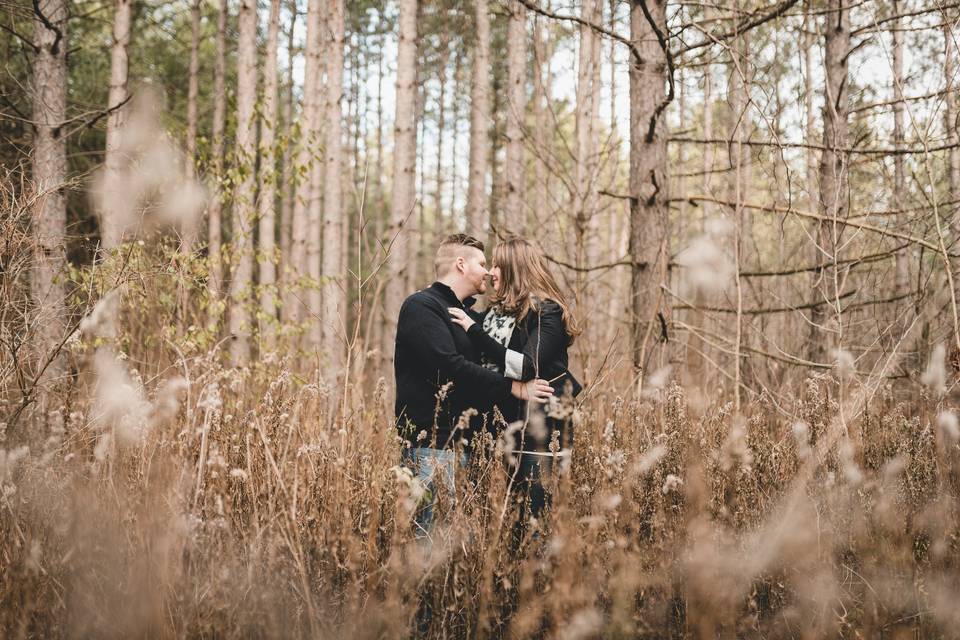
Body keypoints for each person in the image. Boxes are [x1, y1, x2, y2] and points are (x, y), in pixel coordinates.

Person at [394, 234, 554, 535]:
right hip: (432, 447)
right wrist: (514, 388)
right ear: (460, 264)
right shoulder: (422, 306)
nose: (489, 272)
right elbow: (450, 366)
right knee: (427, 542)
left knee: (452, 547)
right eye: (482, 263)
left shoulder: (469, 315)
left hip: (466, 447)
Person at [448, 236, 582, 525]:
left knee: (536, 510)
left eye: (497, 265)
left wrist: (474, 330)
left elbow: (525, 365)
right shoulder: (495, 315)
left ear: (515, 269)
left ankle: (537, 568)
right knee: (504, 512)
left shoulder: (548, 312)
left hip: (542, 426)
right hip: (503, 424)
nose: (490, 272)